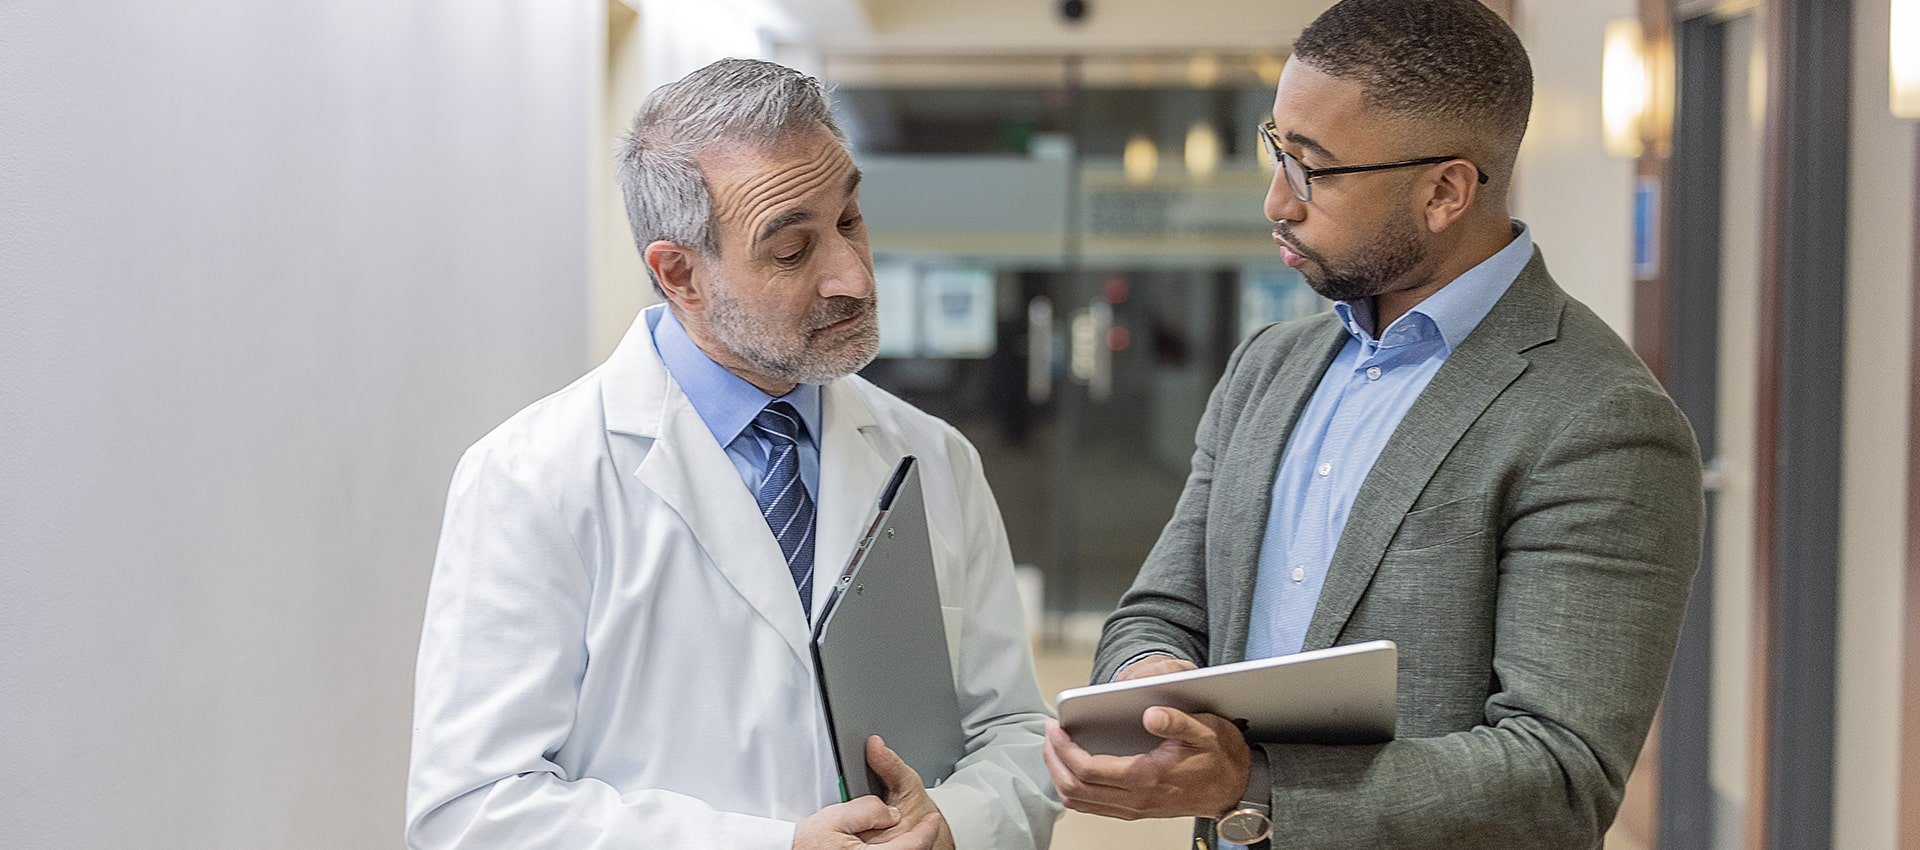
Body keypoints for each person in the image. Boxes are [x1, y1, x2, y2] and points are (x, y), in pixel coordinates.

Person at [1041, 1, 1704, 847]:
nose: (1277, 200)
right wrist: (1152, 686)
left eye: (1313, 168)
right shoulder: (1268, 368)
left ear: (1443, 191)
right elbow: (1162, 608)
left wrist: (1254, 781)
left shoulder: (1600, 422)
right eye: (1276, 148)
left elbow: (1558, 776)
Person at [406, 59, 1058, 850]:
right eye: (791, 252)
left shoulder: (934, 458)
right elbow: (471, 811)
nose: (852, 276)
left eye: (850, 220)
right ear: (679, 273)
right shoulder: (531, 480)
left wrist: (953, 824)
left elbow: (1020, 736)